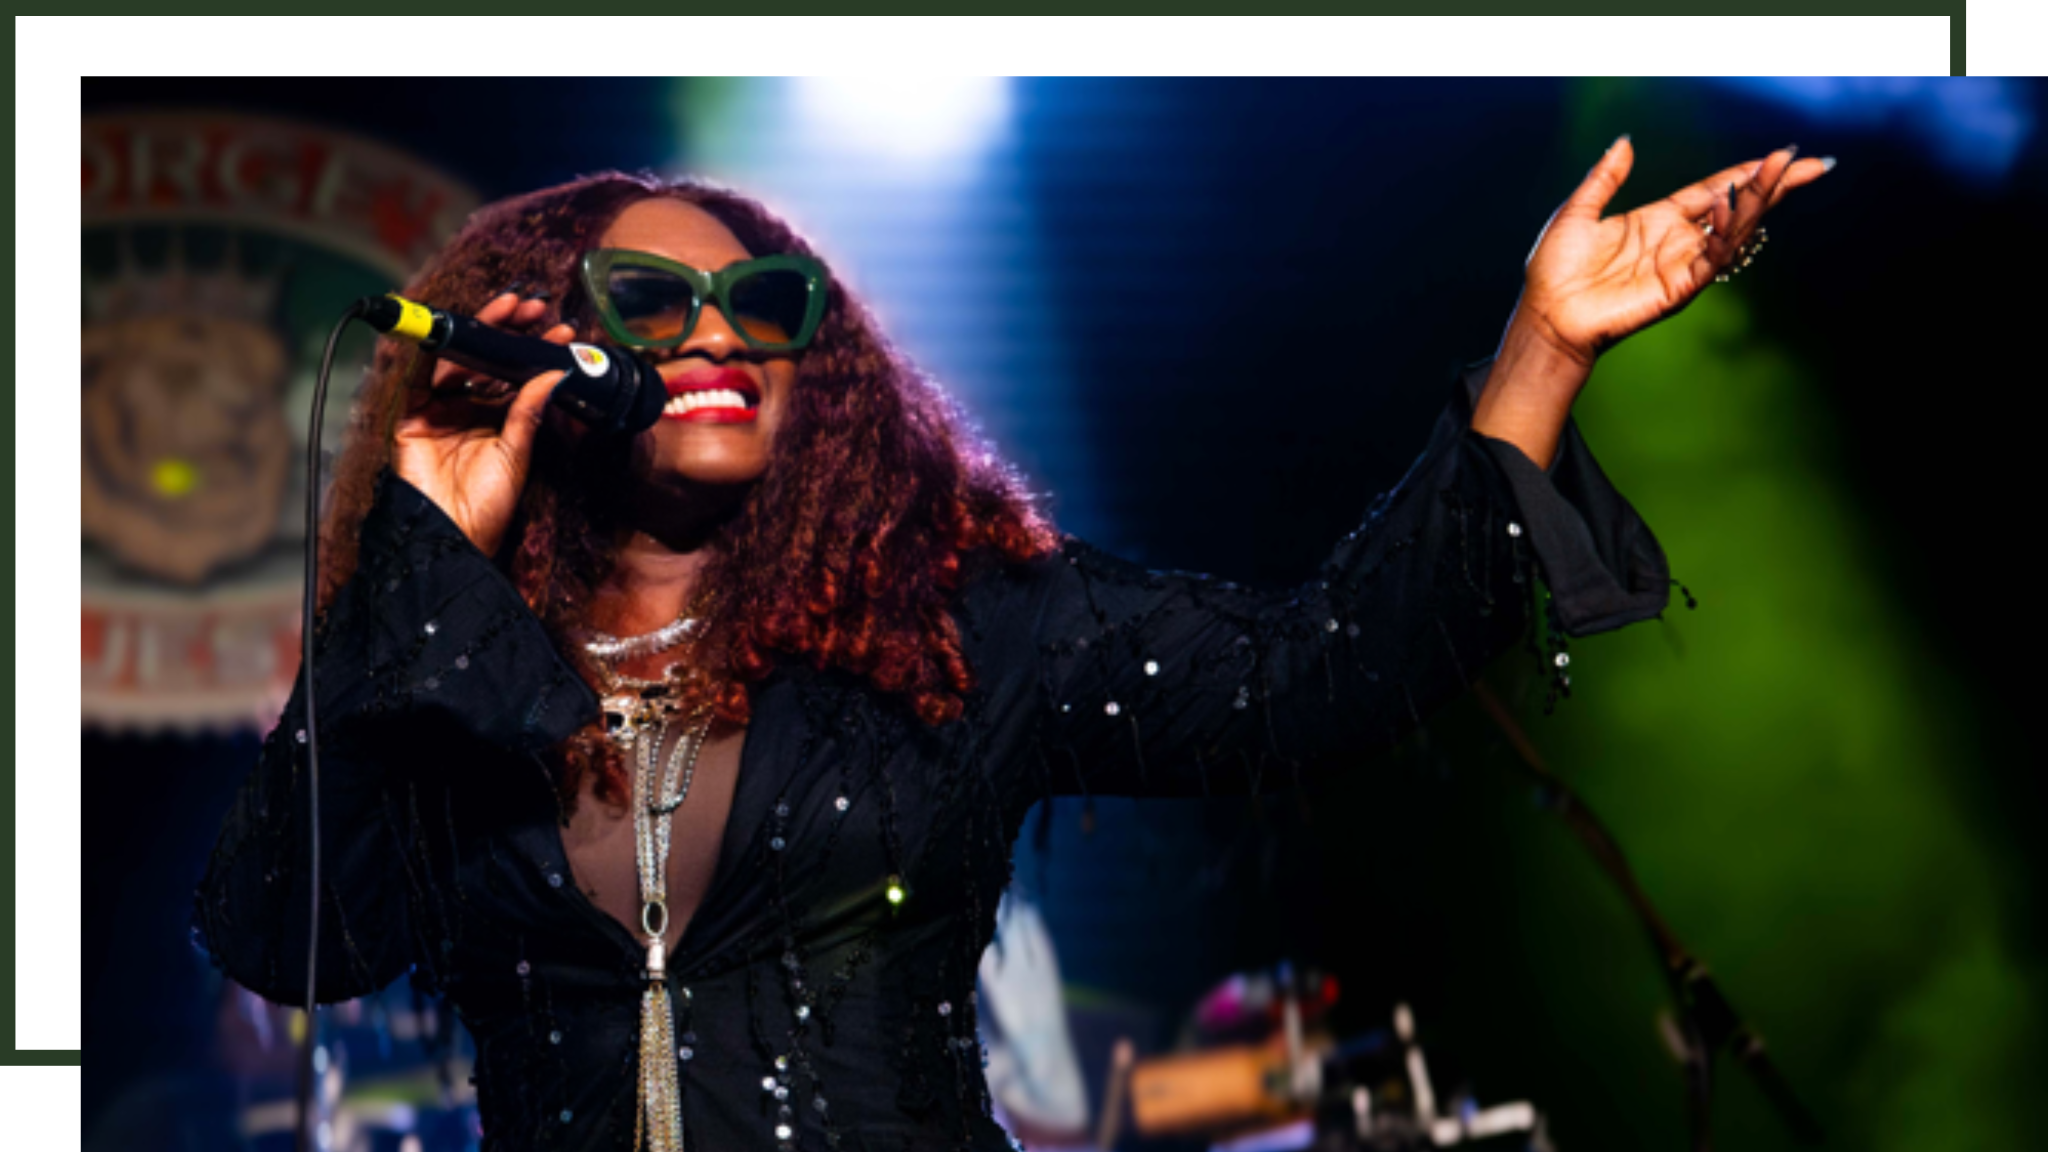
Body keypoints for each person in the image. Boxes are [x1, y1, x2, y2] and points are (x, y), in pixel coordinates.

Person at [192, 142, 1830, 1152]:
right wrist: (423, 558)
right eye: (651, 299)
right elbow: (291, 937)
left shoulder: (953, 631)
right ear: (549, 343)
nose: (715, 334)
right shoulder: (457, 674)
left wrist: (1539, 349)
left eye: (764, 306)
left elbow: (1321, 666)